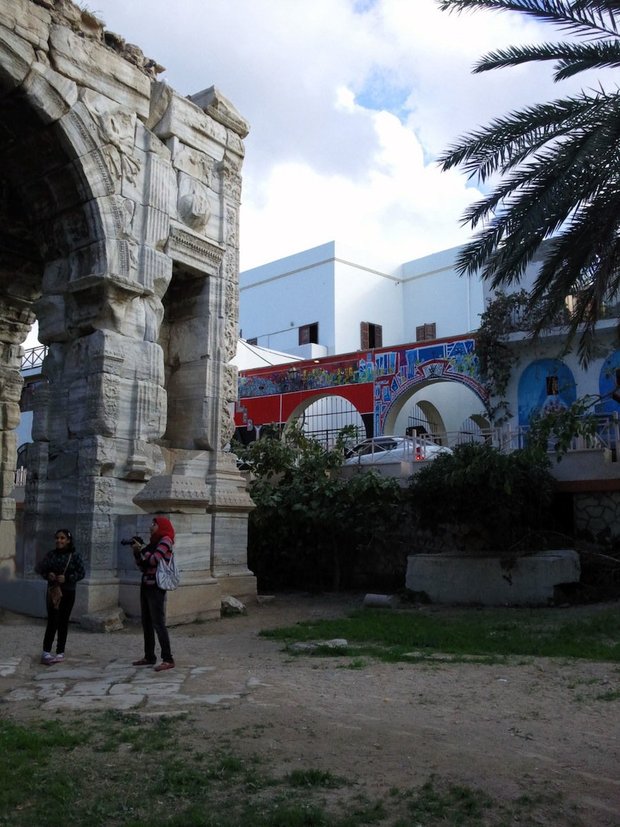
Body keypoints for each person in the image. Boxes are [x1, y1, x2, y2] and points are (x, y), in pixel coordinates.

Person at [131, 516, 176, 672]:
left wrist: (144, 552)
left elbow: (154, 560)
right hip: (146, 585)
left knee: (158, 623)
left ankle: (168, 658)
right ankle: (149, 656)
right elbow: (143, 566)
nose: (151, 526)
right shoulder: (152, 544)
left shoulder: (165, 540)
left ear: (161, 526)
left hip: (156, 587)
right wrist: (137, 553)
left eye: (154, 524)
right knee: (147, 622)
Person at [35, 528, 85, 665]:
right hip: (53, 591)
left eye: (62, 538)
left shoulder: (75, 556)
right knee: (52, 621)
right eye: (57, 538)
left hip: (68, 591)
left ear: (68, 540)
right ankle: (46, 651)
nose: (59, 540)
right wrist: (48, 575)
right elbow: (39, 568)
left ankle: (60, 652)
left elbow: (81, 573)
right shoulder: (51, 555)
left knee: (63, 621)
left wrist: (68, 577)